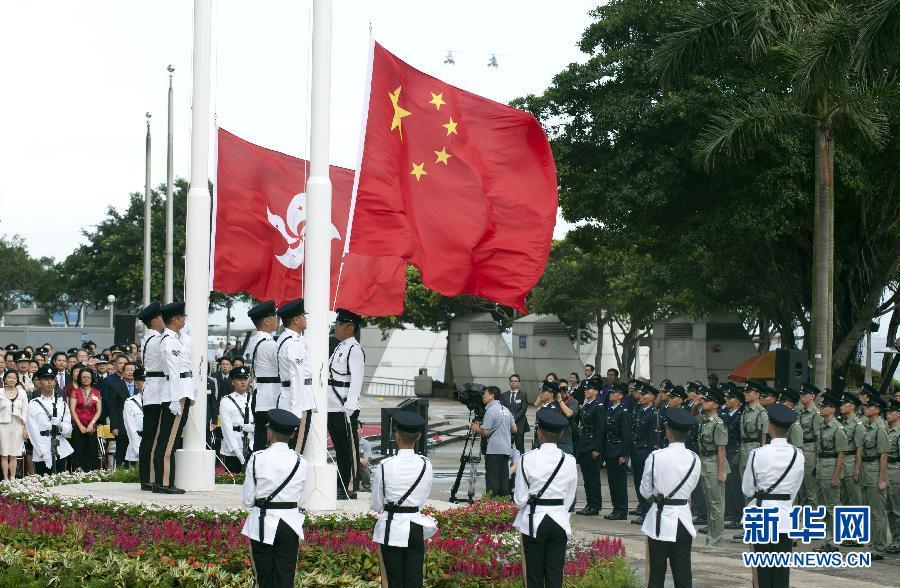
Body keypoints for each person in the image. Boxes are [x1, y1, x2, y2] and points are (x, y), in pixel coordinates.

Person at [242, 408, 308, 588]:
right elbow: (300, 494)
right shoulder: (301, 461)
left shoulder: (257, 458)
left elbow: (248, 500)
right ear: (292, 434)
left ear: (269, 432)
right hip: (290, 524)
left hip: (262, 522)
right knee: (285, 580)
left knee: (263, 580)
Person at [371, 411, 438, 588]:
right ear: (419, 436)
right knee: (414, 582)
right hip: (415, 525)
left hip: (392, 527)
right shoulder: (426, 464)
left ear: (396, 434)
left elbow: (376, 505)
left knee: (394, 582)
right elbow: (423, 497)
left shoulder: (385, 465)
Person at [742, 404, 805, 588]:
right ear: (790, 428)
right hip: (785, 517)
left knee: (761, 573)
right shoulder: (798, 455)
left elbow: (747, 490)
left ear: (769, 426)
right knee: (781, 573)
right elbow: (795, 489)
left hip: (761, 515)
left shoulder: (757, 454)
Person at [514, 409, 577, 588]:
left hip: (534, 520)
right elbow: (570, 498)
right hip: (559, 520)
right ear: (561, 434)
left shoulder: (527, 459)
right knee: (555, 575)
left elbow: (520, 500)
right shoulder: (569, 460)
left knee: (534, 576)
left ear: (539, 433)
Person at [640, 407, 701, 588]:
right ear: (688, 433)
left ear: (668, 431)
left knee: (656, 576)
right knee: (683, 576)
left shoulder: (655, 457)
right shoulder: (695, 459)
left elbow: (645, 492)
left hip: (660, 520)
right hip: (683, 519)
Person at [154, 301, 192, 494]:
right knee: (168, 440)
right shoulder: (169, 341)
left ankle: (165, 481)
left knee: (172, 439)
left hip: (181, 390)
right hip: (175, 393)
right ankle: (163, 482)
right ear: (175, 319)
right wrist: (176, 399)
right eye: (182, 317)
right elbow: (174, 371)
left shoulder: (176, 338)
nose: (184, 321)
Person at [328, 308, 365, 499]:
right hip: (332, 405)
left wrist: (350, 406)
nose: (336, 327)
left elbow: (357, 379)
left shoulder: (354, 349)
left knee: (348, 449)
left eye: (339, 324)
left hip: (344, 407)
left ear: (350, 327)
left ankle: (349, 486)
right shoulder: (339, 346)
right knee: (339, 448)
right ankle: (341, 483)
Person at [275, 298, 315, 453]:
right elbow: (297, 378)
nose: (306, 319)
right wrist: (297, 412)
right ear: (296, 320)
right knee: (296, 450)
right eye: (303, 316)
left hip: (289, 398)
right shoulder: (293, 343)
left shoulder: (285, 339)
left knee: (287, 448)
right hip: (298, 401)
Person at [814, 388, 847, 553]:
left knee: (833, 507)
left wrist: (836, 476)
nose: (821, 408)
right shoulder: (823, 426)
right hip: (822, 468)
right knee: (824, 507)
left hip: (831, 469)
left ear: (833, 409)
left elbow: (841, 454)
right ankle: (827, 540)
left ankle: (834, 541)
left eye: (825, 406)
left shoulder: (838, 429)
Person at [696, 386, 729, 546]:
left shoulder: (718, 424)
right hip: (704, 463)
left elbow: (721, 449)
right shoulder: (704, 420)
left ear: (716, 404)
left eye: (707, 400)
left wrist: (722, 472)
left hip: (714, 463)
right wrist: (697, 403)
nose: (704, 402)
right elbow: (692, 414)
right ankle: (711, 537)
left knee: (716, 504)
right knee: (709, 503)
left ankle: (715, 540)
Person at [137, 301, 165, 491]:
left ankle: (147, 477)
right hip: (156, 391)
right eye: (162, 318)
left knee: (150, 436)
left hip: (153, 389)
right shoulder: (156, 340)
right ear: (155, 321)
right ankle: (148, 477)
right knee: (152, 436)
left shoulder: (149, 338)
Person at [247, 300, 281, 453]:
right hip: (270, 397)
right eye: (275, 317)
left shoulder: (255, 340)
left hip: (260, 394)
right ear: (267, 321)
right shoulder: (269, 344)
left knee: (260, 438)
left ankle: (256, 465)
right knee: (268, 441)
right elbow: (283, 368)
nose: (277, 320)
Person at [27, 365, 74, 475]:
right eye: (46, 379)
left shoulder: (62, 403)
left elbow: (69, 429)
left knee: (60, 481)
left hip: (60, 448)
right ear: (39, 382)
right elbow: (33, 432)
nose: (49, 382)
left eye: (52, 379)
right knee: (43, 483)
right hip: (41, 449)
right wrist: (44, 453)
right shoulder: (33, 404)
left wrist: (60, 425)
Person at [471, 385, 514, 497]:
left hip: (494, 449)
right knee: (503, 478)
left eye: (485, 394)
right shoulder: (506, 410)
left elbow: (486, 432)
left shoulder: (490, 411)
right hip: (506, 449)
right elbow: (514, 429)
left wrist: (476, 428)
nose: (483, 396)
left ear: (492, 396)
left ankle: (492, 502)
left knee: (492, 479)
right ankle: (503, 502)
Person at [860, 393, 889, 560]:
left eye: (869, 407)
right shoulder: (869, 427)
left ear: (877, 410)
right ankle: (873, 544)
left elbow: (884, 455)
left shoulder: (880, 429)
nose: (865, 409)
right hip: (866, 470)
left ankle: (879, 547)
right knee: (869, 511)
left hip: (875, 471)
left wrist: (882, 479)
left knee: (878, 513)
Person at [630, 381, 660, 524]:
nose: (641, 397)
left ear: (652, 397)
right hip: (637, 451)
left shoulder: (653, 414)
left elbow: (653, 438)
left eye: (644, 395)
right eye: (640, 394)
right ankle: (643, 510)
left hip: (645, 453)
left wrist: (650, 456)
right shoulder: (639, 411)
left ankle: (648, 513)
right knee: (638, 483)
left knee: (647, 483)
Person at [575, 378, 605, 516]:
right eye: (585, 389)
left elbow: (600, 429)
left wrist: (597, 449)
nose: (586, 391)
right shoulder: (587, 406)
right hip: (584, 445)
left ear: (596, 392)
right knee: (587, 478)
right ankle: (590, 503)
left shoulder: (598, 406)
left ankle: (595, 505)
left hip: (592, 445)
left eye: (589, 389)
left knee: (593, 478)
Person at [219, 365, 255, 474]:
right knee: (233, 479)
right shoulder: (226, 401)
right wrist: (238, 452)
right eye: (239, 379)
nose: (243, 382)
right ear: (233, 382)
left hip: (251, 444)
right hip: (233, 448)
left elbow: (260, 421)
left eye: (245, 379)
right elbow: (227, 430)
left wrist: (253, 428)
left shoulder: (253, 399)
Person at [604, 383, 631, 520]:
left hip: (618, 450)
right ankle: (616, 508)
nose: (610, 394)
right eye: (610, 392)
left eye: (613, 393)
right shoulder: (610, 410)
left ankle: (621, 509)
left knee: (620, 482)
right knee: (612, 481)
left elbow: (626, 435)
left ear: (620, 396)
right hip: (610, 450)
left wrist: (624, 454)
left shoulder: (623, 411)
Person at [67, 368, 101, 471]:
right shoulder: (75, 392)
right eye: (83, 377)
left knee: (92, 451)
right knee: (78, 451)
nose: (86, 379)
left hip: (91, 426)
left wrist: (92, 423)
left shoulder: (96, 392)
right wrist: (80, 425)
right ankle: (78, 473)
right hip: (78, 426)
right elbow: (72, 410)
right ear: (80, 379)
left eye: (88, 377)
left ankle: (92, 474)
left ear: (92, 379)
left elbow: (99, 410)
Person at [722, 384, 744, 529]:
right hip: (726, 452)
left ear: (738, 402)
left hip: (734, 453)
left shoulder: (739, 416)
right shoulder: (725, 415)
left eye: (730, 398)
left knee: (736, 486)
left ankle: (738, 516)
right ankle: (732, 513)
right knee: (729, 486)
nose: (727, 400)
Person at [797, 383, 823, 507]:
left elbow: (818, 438)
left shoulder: (816, 414)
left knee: (810, 486)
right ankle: (802, 512)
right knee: (801, 486)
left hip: (810, 452)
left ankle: (812, 513)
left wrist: (818, 459)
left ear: (812, 396)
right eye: (801, 394)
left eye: (804, 394)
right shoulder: (801, 412)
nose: (801, 397)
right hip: (801, 449)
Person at [107, 361, 137, 468]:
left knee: (136, 450)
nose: (130, 372)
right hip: (122, 424)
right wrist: (114, 426)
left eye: (132, 370)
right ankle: (121, 472)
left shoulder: (140, 386)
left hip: (137, 425)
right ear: (123, 372)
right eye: (127, 370)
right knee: (121, 452)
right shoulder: (115, 386)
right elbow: (112, 408)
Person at [0, 371, 28, 480]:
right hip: (3, 425)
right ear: (5, 379)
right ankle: (5, 479)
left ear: (17, 380)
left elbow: (25, 411)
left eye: (14, 378)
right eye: (9, 377)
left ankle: (12, 478)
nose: (11, 379)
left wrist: (25, 427)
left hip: (17, 425)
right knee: (3, 453)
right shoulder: (0, 392)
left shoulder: (22, 393)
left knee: (14, 454)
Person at [840, 392, 865, 506]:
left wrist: (857, 470)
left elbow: (859, 449)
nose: (841, 406)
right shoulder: (843, 423)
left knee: (854, 498)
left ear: (852, 406)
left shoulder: (858, 425)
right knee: (843, 498)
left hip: (851, 462)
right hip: (842, 461)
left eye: (844, 404)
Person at [885, 399, 900, 554]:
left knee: (897, 509)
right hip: (887, 471)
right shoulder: (888, 431)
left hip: (896, 471)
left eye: (891, 412)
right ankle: (895, 539)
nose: (888, 414)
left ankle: (898, 540)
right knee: (889, 508)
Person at [122, 367, 145, 469]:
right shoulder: (130, 402)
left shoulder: (159, 401)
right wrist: (139, 450)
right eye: (142, 380)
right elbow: (131, 429)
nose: (145, 383)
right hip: (136, 450)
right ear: (136, 383)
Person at [501, 373, 529, 454]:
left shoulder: (523, 395)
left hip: (519, 424)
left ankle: (520, 461)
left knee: (520, 447)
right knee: (506, 447)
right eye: (511, 381)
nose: (513, 382)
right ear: (509, 382)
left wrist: (513, 418)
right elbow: (502, 408)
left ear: (519, 383)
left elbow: (523, 409)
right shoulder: (504, 395)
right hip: (506, 424)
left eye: (515, 381)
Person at [357, 421, 372, 491]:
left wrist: (357, 459)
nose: (355, 430)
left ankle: (366, 486)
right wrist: (359, 459)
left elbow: (365, 461)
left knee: (364, 465)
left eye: (357, 428)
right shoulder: (347, 442)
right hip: (350, 467)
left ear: (361, 430)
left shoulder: (366, 443)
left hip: (360, 468)